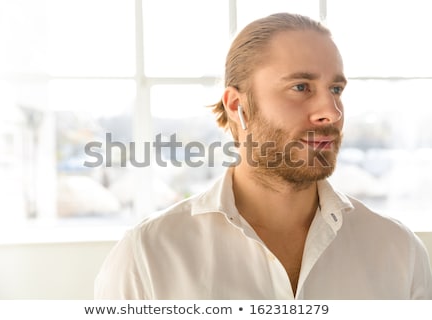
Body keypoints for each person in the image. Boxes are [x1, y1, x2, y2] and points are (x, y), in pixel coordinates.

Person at [94, 12, 432, 299]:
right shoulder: (147, 259)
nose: (331, 111)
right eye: (301, 87)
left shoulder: (400, 252)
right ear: (237, 106)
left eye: (336, 89)